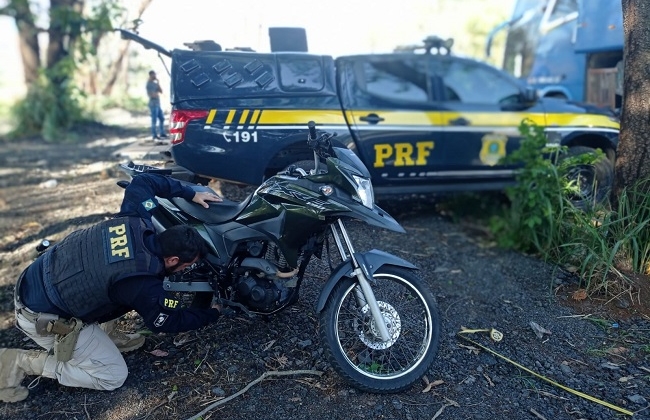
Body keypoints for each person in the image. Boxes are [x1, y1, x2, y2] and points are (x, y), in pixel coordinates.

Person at [0, 173, 223, 403]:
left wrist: (191, 193)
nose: (186, 270)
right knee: (112, 376)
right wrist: (211, 314)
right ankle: (17, 362)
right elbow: (164, 321)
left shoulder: (136, 217)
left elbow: (144, 181)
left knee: (113, 282)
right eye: (187, 265)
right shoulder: (143, 284)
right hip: (41, 317)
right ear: (173, 260)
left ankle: (107, 336)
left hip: (38, 275)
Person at [146, 70, 167, 141]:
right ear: (150, 75)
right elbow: (152, 95)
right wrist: (156, 94)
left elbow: (161, 91)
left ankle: (162, 133)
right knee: (154, 120)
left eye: (155, 75)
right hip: (153, 104)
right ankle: (154, 135)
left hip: (158, 104)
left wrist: (158, 83)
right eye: (153, 75)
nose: (155, 76)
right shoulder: (149, 84)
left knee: (162, 119)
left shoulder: (155, 84)